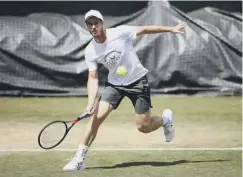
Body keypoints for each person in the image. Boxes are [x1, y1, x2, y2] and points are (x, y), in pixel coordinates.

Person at [63, 9, 187, 171]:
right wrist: (90, 103)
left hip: (137, 82)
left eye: (96, 23)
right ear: (87, 27)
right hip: (115, 85)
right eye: (90, 24)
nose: (93, 27)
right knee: (96, 118)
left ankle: (165, 120)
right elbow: (93, 78)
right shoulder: (90, 50)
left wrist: (170, 29)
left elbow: (144, 29)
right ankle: (79, 159)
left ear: (102, 23)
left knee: (143, 127)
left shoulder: (119, 32)